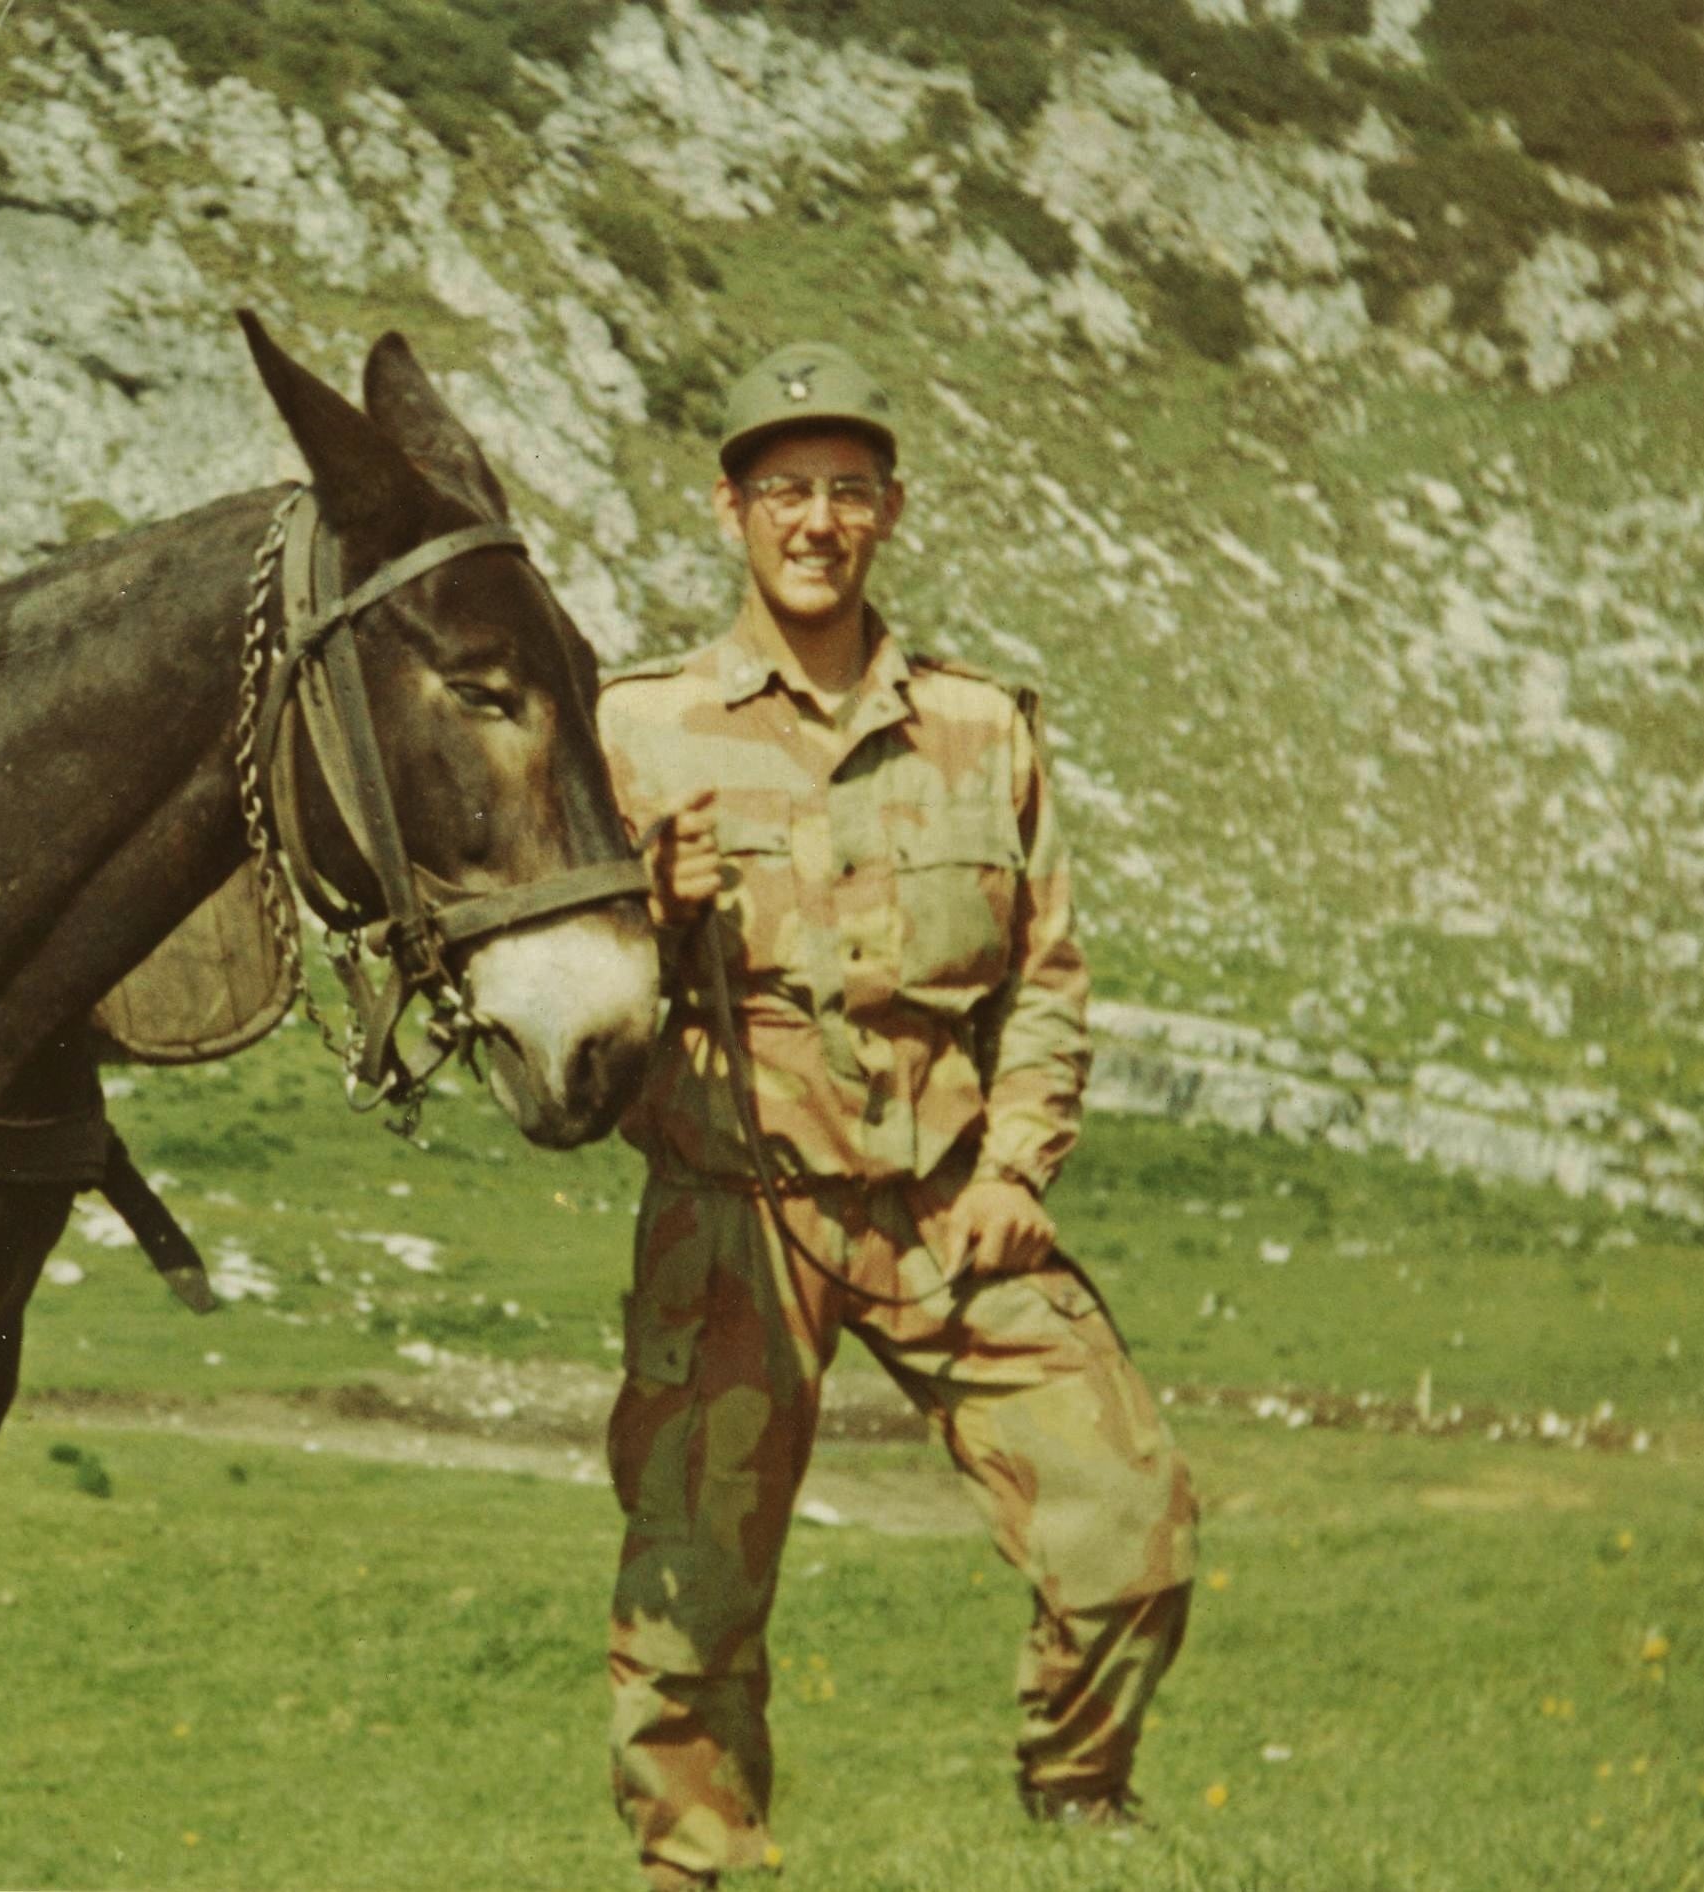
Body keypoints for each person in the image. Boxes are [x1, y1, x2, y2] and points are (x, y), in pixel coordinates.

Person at [593, 342, 1198, 1889]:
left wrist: (1013, 1165)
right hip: (734, 1214)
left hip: (945, 1208)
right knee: (691, 1595)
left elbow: (1047, 979)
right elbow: (561, 1020)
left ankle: (1076, 1815)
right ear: (728, 509)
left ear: (890, 514)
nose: (815, 522)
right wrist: (645, 929)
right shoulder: (633, 731)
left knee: (1129, 1522)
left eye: (846, 493)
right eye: (783, 490)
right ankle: (699, 1870)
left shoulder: (979, 728)